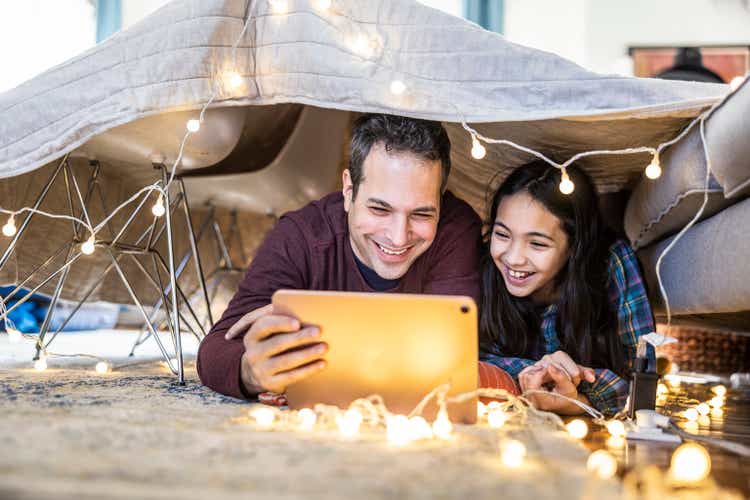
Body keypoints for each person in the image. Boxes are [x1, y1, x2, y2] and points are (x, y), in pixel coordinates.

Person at [197, 113, 485, 401]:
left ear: (440, 198)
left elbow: (448, 358)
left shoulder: (456, 229)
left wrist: (319, 334)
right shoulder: (301, 235)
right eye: (380, 210)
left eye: (422, 214)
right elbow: (216, 350)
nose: (398, 237)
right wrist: (251, 371)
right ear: (349, 190)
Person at [478, 161, 655, 416]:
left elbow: (642, 385)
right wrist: (548, 373)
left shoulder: (613, 263)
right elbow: (474, 365)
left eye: (537, 244)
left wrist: (574, 400)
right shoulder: (485, 267)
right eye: (502, 235)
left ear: (574, 247)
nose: (513, 258)